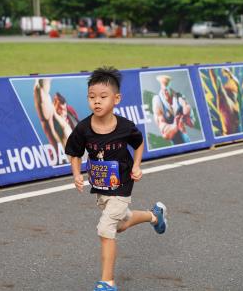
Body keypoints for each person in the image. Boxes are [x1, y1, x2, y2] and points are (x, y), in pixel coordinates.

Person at [65, 67, 167, 291]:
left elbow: (138, 143)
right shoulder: (83, 128)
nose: (97, 102)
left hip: (122, 185)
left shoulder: (124, 127)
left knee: (106, 228)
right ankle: (154, 216)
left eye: (103, 97)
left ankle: (107, 282)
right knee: (120, 224)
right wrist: (76, 174)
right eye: (92, 97)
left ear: (116, 99)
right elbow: (74, 152)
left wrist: (137, 165)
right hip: (101, 186)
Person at [34, 79, 73, 159]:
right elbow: (40, 91)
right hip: (63, 160)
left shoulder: (70, 119)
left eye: (62, 108)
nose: (60, 109)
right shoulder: (51, 117)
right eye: (55, 103)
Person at [152, 75, 195, 145]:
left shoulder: (180, 97)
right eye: (164, 90)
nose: (166, 92)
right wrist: (175, 126)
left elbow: (192, 124)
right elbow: (165, 133)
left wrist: (186, 114)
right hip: (173, 143)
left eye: (167, 90)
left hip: (186, 138)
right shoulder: (157, 101)